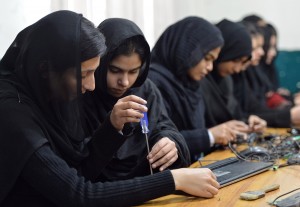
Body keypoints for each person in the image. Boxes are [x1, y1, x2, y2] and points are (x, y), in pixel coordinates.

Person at [0, 11, 219, 206]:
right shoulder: (14, 112)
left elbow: (80, 171)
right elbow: (79, 192)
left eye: (94, 72)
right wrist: (174, 180)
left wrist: (115, 128)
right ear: (46, 69)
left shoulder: (52, 95)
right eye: (83, 74)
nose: (92, 85)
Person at [83, 18, 190, 181]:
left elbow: (163, 125)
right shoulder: (83, 92)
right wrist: (111, 127)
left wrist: (170, 142)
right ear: (101, 63)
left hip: (148, 185)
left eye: (133, 72)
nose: (124, 82)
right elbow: (80, 169)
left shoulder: (145, 90)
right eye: (115, 70)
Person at [148, 16, 245, 162]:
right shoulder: (153, 83)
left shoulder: (191, 83)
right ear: (187, 50)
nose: (210, 67)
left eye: (213, 60)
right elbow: (159, 143)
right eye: (207, 58)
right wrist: (210, 136)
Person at [199, 19, 267, 132]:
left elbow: (233, 117)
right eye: (236, 60)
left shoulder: (226, 81)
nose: (237, 69)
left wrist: (248, 123)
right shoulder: (199, 81)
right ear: (224, 52)